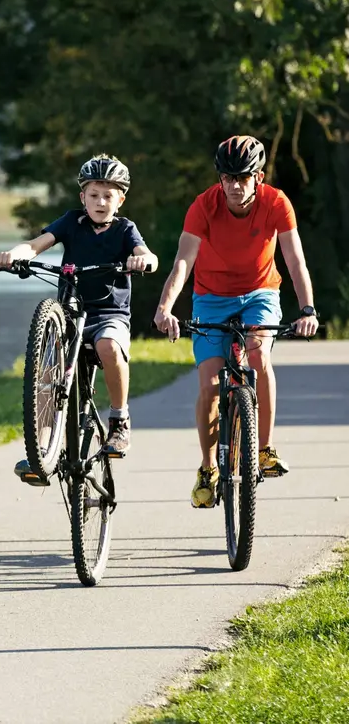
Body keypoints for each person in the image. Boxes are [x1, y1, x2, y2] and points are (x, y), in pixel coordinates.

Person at [153, 135, 319, 508]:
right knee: (210, 385)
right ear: (220, 178)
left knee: (258, 357)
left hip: (260, 292)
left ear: (258, 177)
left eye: (243, 177)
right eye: (228, 178)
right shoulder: (203, 206)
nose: (235, 186)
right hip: (210, 298)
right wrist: (165, 308)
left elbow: (295, 261)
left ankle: (264, 449)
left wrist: (307, 309)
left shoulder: (276, 203)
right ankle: (208, 468)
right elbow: (183, 262)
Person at [0, 154, 158, 481]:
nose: (100, 202)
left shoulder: (125, 229)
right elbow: (36, 245)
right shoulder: (71, 222)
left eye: (108, 195)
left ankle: (119, 420)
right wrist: (14, 255)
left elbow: (145, 254)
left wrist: (144, 261)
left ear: (120, 200)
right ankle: (41, 452)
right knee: (46, 375)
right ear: (82, 197)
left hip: (109, 314)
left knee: (109, 346)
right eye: (94, 195)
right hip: (70, 313)